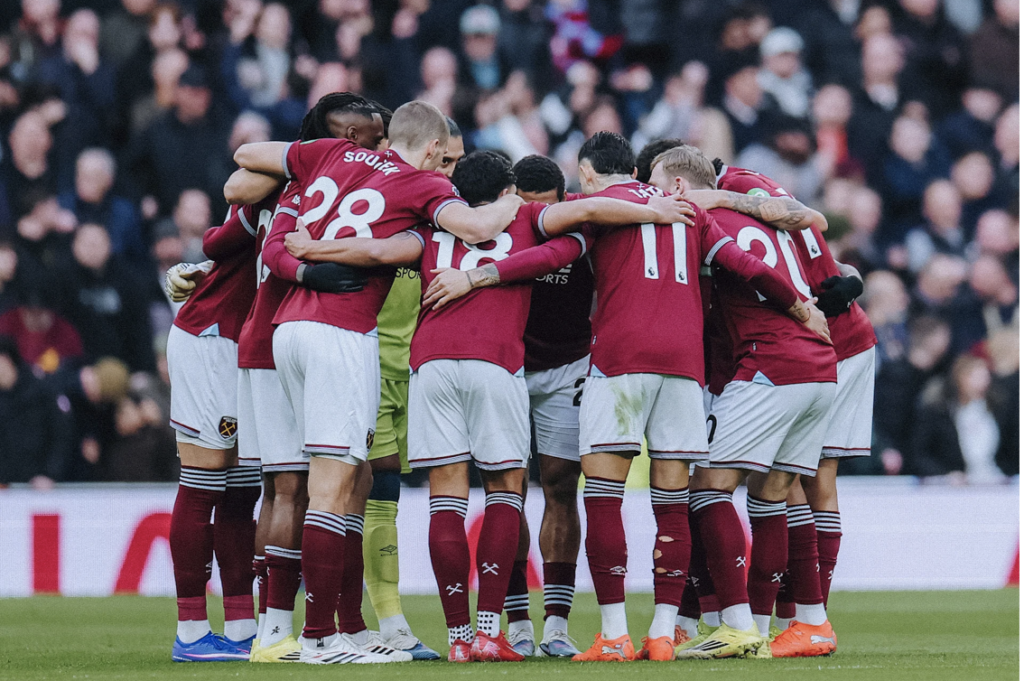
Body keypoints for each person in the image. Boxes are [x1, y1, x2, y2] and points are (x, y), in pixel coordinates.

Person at [283, 148, 698, 662]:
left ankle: (459, 638)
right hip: (497, 362)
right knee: (505, 490)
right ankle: (489, 631)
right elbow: (588, 212)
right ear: (507, 192)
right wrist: (653, 208)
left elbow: (375, 251)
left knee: (446, 497)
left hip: (431, 364)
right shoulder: (528, 218)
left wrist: (313, 247)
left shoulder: (432, 229)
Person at [427, 134, 825, 662]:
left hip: (619, 363)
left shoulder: (595, 211)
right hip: (683, 368)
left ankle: (614, 635)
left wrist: (479, 275)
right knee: (672, 503)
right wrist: (800, 307)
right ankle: (662, 632)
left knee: (603, 496)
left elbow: (550, 254)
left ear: (587, 174)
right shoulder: (688, 211)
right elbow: (746, 265)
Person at [230, 100, 525, 665]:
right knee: (331, 487)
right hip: (342, 331)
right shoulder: (423, 185)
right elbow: (477, 226)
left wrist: (304, 242)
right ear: (434, 149)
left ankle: (328, 630)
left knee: (333, 482)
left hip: (287, 328)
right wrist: (514, 198)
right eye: (445, 157)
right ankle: (320, 638)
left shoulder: (332, 153)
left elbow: (247, 155)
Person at [647, 145, 837, 660]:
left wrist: (798, 309)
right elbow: (811, 223)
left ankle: (735, 625)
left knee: (708, 488)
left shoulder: (701, 217)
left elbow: (748, 271)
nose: (650, 195)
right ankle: (803, 623)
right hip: (820, 367)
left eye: (656, 183)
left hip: (772, 362)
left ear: (679, 186)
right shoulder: (763, 216)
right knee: (773, 494)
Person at [698, 154, 876, 655]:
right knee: (793, 480)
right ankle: (797, 620)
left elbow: (804, 232)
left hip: (821, 339)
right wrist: (850, 276)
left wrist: (719, 197)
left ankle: (798, 619)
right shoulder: (759, 190)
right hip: (828, 336)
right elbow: (813, 231)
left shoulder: (730, 197)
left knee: (801, 479)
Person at [359, 116, 463, 663]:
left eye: (457, 164)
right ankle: (386, 622)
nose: (450, 173)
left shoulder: (449, 219)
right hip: (369, 367)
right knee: (371, 491)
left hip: (417, 372)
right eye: (445, 161)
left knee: (387, 494)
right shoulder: (385, 201)